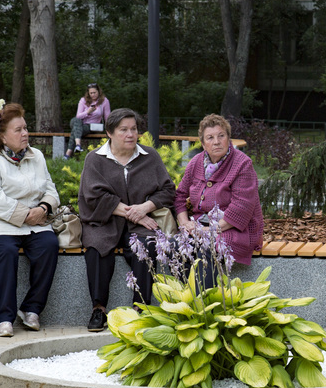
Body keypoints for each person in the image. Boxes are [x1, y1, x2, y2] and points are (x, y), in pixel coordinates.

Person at [78, 108, 176, 332]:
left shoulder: (149, 157)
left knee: (145, 246)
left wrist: (145, 208)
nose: (131, 134)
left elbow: (168, 190)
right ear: (110, 133)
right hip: (104, 220)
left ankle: (141, 308)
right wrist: (134, 213)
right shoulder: (95, 159)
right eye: (124, 130)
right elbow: (92, 196)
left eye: (134, 129)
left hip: (139, 223)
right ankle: (98, 309)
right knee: (96, 248)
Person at [0, 103, 60, 338]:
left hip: (33, 221)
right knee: (6, 251)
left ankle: (32, 309)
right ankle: (4, 318)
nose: (25, 133)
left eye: (26, 128)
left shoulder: (36, 156)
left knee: (49, 245)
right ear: (2, 136)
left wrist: (43, 207)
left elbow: (51, 190)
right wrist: (25, 215)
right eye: (18, 130)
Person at [174, 113, 264, 288]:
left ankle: (205, 306)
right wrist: (185, 223)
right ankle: (185, 299)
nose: (216, 142)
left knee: (206, 248)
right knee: (174, 246)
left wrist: (209, 231)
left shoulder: (242, 164)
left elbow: (241, 207)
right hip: (201, 227)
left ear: (228, 139)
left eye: (221, 136)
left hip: (236, 230)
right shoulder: (195, 163)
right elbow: (179, 196)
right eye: (210, 137)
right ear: (203, 143)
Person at [65, 83, 110, 159]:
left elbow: (107, 117)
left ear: (99, 92)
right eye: (91, 93)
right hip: (80, 122)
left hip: (91, 126)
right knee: (76, 121)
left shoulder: (104, 101)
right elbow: (78, 116)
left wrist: (109, 130)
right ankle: (77, 145)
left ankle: (69, 153)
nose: (93, 95)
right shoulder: (83, 100)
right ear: (88, 93)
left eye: (94, 92)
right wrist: (88, 112)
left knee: (75, 131)